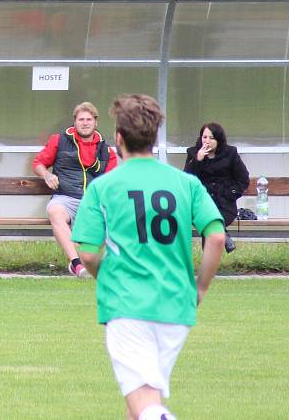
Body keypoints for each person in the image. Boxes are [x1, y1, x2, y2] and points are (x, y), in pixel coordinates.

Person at [72, 94, 225, 420]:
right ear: (154, 137)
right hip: (175, 304)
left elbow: (85, 254)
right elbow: (215, 236)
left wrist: (107, 275)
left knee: (146, 403)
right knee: (143, 400)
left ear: (118, 138)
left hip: (127, 304)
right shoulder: (186, 183)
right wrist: (201, 287)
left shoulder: (103, 187)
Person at [32, 102, 118, 277]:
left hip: (92, 201)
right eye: (81, 119)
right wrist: (47, 176)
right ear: (75, 121)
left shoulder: (107, 151)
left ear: (95, 122)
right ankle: (77, 264)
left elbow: (112, 183)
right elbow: (38, 163)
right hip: (66, 197)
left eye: (88, 119)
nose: (85, 123)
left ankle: (87, 261)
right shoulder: (59, 140)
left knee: (111, 220)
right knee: (55, 211)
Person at [184, 122, 249, 254]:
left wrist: (230, 194)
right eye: (204, 137)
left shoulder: (230, 153)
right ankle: (220, 243)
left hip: (224, 204)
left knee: (210, 220)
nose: (207, 141)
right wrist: (198, 160)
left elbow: (243, 179)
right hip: (201, 204)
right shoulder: (193, 153)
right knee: (206, 218)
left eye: (211, 138)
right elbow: (187, 181)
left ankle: (209, 263)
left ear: (219, 140)